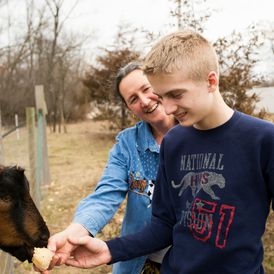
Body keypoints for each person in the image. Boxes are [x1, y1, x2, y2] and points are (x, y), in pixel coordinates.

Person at [52, 30, 274, 274]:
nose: (166, 107)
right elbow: (165, 223)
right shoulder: (174, 142)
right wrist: (108, 250)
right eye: (162, 96)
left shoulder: (263, 140)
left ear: (211, 81)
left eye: (175, 94)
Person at [40, 62, 176, 274]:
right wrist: (75, 233)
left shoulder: (196, 134)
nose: (144, 101)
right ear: (129, 108)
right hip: (136, 260)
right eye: (133, 99)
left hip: (184, 261)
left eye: (147, 88)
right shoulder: (128, 145)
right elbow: (105, 195)